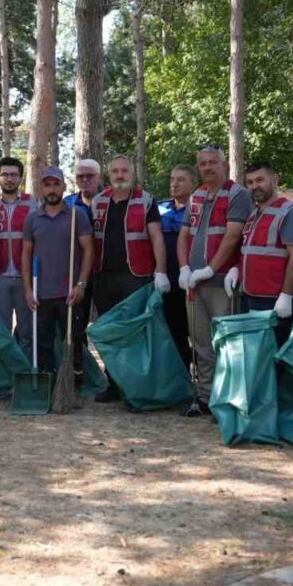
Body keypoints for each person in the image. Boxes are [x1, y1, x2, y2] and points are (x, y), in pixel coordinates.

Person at [89, 154, 172, 401]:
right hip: (103, 277)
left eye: (124, 171)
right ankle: (114, 383)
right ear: (109, 175)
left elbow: (156, 237)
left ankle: (135, 387)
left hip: (136, 276)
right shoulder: (99, 201)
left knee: (135, 333)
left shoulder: (146, 200)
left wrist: (161, 271)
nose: (120, 175)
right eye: (115, 171)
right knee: (110, 332)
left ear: (132, 173)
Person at [177, 145, 252, 417]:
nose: (207, 167)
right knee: (201, 344)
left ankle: (227, 397)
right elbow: (183, 235)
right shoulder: (196, 196)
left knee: (226, 344)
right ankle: (206, 396)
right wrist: (185, 268)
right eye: (203, 164)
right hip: (194, 284)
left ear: (224, 165)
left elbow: (233, 236)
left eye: (213, 163)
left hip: (221, 283)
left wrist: (209, 269)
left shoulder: (237, 194)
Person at [224, 162, 293, 347]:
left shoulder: (289, 213)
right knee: (255, 357)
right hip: (248, 296)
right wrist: (236, 269)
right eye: (250, 182)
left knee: (274, 358)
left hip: (274, 301)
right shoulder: (253, 215)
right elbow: (250, 251)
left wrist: (286, 296)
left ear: (275, 179)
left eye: (260, 180)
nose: (255, 186)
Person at [22, 167, 94, 373]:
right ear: (41, 188)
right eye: (47, 185)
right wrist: (28, 290)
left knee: (73, 342)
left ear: (63, 186)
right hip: (41, 293)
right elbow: (25, 255)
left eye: (56, 184)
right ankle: (48, 385)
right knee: (43, 344)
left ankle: (74, 384)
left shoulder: (76, 216)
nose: (52, 189)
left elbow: (88, 251)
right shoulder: (33, 219)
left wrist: (81, 284)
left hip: (70, 293)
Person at [0, 156, 36, 356]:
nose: (9, 179)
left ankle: (28, 374)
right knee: (0, 330)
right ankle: (4, 377)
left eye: (14, 175)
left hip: (25, 278)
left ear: (21, 178)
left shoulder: (33, 205)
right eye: (5, 174)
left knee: (27, 330)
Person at [158, 165, 197, 367]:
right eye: (172, 179)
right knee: (175, 332)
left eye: (181, 179)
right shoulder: (159, 208)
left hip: (193, 278)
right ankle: (181, 378)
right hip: (168, 280)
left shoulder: (201, 208)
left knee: (198, 334)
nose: (174, 183)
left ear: (193, 183)